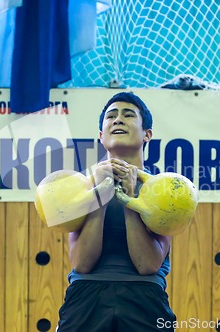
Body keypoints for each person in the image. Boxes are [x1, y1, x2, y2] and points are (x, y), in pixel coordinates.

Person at [56, 92, 176, 331]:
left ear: (147, 134)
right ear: (101, 136)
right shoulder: (80, 188)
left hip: (144, 298)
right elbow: (81, 263)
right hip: (85, 298)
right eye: (111, 116)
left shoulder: (165, 190)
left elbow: (147, 265)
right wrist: (99, 194)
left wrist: (130, 199)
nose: (118, 119)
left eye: (128, 115)